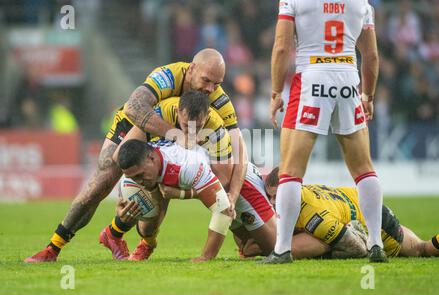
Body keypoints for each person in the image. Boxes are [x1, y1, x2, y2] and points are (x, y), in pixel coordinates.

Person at [25, 48, 248, 263]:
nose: (210, 89)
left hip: (174, 136)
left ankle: (128, 237)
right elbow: (133, 106)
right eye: (206, 80)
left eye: (217, 83)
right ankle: (53, 247)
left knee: (168, 183)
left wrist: (234, 194)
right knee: (103, 180)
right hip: (138, 125)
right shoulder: (167, 76)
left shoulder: (218, 99)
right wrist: (175, 134)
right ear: (191, 69)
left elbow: (239, 149)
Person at [264, 0, 387, 263]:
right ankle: (376, 243)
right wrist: (368, 95)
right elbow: (372, 56)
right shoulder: (361, 3)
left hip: (311, 78)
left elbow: (282, 47)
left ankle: (282, 249)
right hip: (347, 78)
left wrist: (275, 92)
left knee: (290, 171)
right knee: (364, 169)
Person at [99, 92, 275, 260]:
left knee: (275, 248)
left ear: (206, 117)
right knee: (248, 247)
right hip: (197, 176)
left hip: (239, 183)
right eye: (186, 125)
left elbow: (224, 187)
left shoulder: (215, 132)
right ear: (177, 113)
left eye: (197, 127)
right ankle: (141, 241)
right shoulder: (163, 113)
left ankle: (291, 216)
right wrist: (124, 199)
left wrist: (182, 193)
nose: (191, 133)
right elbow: (123, 157)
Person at [255, 167, 439, 260]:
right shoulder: (300, 194)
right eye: (270, 197)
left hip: (375, 221)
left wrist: (322, 251)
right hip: (361, 203)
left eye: (276, 197)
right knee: (424, 248)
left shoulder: (315, 216)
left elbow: (357, 248)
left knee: (421, 251)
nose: (273, 203)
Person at [115, 139, 234, 262]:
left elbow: (223, 209)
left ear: (152, 159)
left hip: (224, 176)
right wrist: (121, 211)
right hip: (170, 175)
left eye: (140, 175)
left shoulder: (189, 165)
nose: (138, 181)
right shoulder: (139, 163)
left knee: (249, 247)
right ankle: (146, 243)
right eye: (133, 178)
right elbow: (126, 188)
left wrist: (206, 257)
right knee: (146, 228)